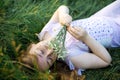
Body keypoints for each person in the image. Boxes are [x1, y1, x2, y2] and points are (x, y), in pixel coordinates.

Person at [19, 0, 120, 75]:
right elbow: (106, 60)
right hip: (115, 33)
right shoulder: (71, 57)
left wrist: (63, 15)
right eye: (49, 60)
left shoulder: (46, 33)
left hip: (101, 17)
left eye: (41, 52)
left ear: (32, 45)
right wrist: (86, 38)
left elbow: (61, 8)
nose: (50, 52)